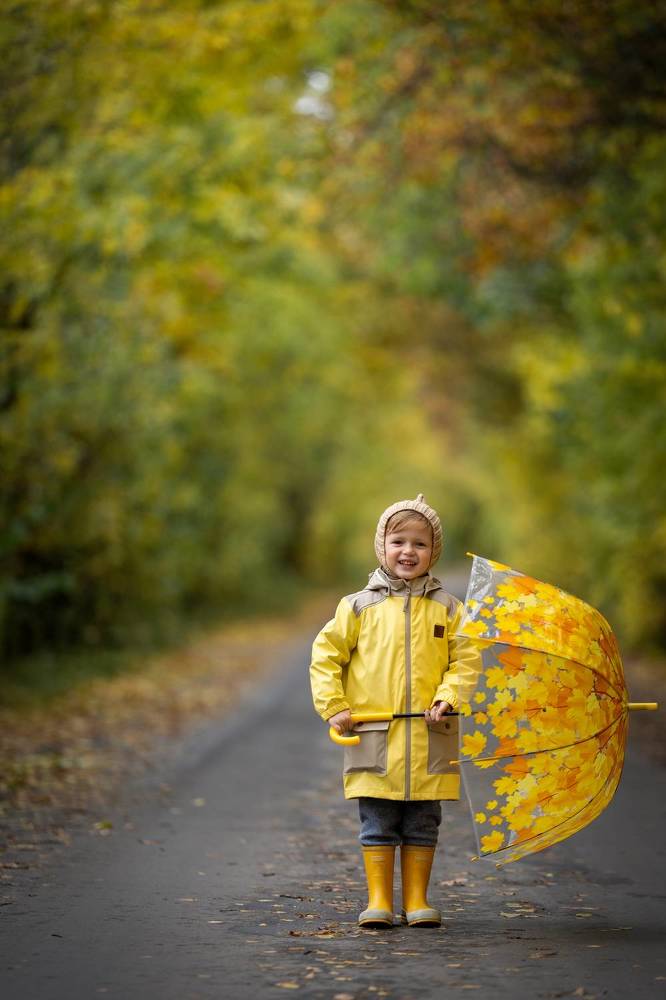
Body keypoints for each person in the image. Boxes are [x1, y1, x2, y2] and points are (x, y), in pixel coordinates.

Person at [309, 494, 481, 929]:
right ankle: (380, 900)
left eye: (420, 544)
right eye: (398, 541)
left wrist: (449, 697)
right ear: (381, 546)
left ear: (433, 551)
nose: (408, 551)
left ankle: (419, 899)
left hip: (430, 732)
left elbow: (466, 660)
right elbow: (326, 656)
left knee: (424, 821)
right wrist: (334, 706)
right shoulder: (358, 606)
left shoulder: (448, 608)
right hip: (373, 732)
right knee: (377, 820)